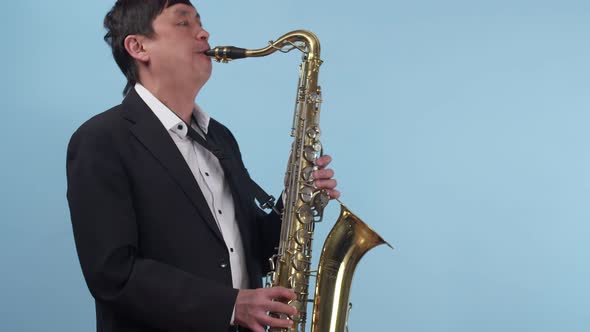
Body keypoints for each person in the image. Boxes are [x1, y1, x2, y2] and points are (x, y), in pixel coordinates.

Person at [66, 1, 340, 332]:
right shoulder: (101, 140)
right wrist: (229, 305)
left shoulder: (220, 138)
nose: (204, 33)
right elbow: (113, 274)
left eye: (201, 22)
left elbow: (247, 247)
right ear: (138, 46)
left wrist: (295, 202)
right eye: (184, 23)